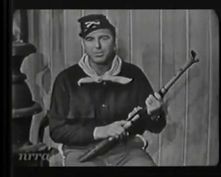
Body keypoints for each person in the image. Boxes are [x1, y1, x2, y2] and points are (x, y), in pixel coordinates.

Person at [48, 14, 166, 166]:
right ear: (83, 44)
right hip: (81, 153)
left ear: (115, 43)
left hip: (127, 150)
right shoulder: (66, 79)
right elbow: (57, 130)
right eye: (90, 39)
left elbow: (156, 127)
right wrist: (100, 131)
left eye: (104, 38)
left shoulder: (133, 74)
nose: (97, 46)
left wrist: (155, 114)